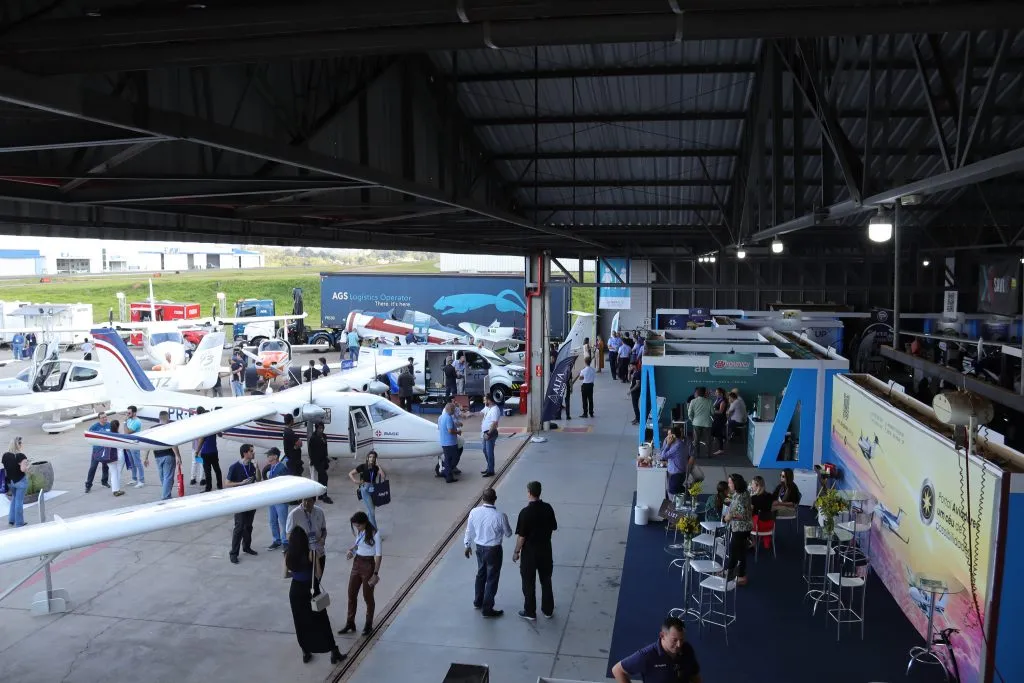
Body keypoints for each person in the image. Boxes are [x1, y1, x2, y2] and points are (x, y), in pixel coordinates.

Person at [284, 527, 346, 665]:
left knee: (300, 622)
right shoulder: (312, 553)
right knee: (322, 620)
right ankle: (333, 651)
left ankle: (305, 650)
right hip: (311, 590)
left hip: (295, 591)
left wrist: (297, 574)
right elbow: (318, 574)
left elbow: (285, 574)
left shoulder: (288, 554)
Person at [464, 487, 513, 617]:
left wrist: (467, 545)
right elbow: (508, 533)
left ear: (482, 498)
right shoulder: (500, 516)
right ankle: (487, 609)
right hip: (494, 550)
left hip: (479, 548)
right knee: (492, 578)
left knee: (481, 574)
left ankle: (478, 601)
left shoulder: (474, 512)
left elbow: (469, 530)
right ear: (495, 499)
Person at [514, 481, 558, 621]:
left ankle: (530, 611)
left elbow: (522, 536)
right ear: (540, 492)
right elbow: (553, 527)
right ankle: (548, 610)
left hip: (529, 553)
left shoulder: (525, 513)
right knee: (546, 580)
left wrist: (516, 551)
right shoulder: (548, 508)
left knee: (528, 582)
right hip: (545, 550)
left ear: (529, 493)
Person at [611, 616, 702, 683]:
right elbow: (617, 670)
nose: (679, 644)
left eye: (681, 639)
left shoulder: (687, 649)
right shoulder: (647, 655)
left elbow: (694, 674)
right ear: (662, 635)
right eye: (674, 640)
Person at [339, 511, 382, 637]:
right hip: (357, 563)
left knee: (367, 596)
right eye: (355, 526)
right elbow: (358, 545)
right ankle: (350, 622)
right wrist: (351, 551)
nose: (357, 528)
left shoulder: (375, 534)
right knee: (351, 593)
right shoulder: (360, 531)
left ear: (364, 523)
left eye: (358, 525)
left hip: (368, 565)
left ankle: (368, 624)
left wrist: (375, 573)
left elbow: (379, 555)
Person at [225, 444, 261, 564]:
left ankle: (247, 546)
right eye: (251, 451)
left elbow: (259, 479)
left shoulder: (252, 465)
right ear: (245, 453)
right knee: (239, 526)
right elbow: (227, 483)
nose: (253, 453)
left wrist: (257, 468)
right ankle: (233, 553)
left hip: (251, 500)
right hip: (240, 500)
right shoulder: (235, 467)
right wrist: (241, 483)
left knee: (249, 526)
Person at [287, 496, 328, 591]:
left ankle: (314, 597)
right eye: (304, 500)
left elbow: (324, 530)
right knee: (305, 583)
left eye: (309, 500)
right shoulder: (294, 514)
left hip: (319, 553)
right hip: (303, 556)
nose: (306, 503)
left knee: (316, 583)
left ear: (314, 501)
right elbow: (288, 535)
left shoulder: (319, 512)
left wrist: (323, 538)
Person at [723, 473, 753, 586]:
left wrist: (730, 516)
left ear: (736, 483)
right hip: (738, 527)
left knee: (738, 552)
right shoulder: (740, 493)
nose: (728, 484)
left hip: (742, 528)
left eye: (730, 483)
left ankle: (741, 576)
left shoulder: (741, 497)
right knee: (735, 550)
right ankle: (731, 571)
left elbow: (743, 515)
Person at [145, 411, 180, 500]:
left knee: (163, 477)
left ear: (159, 418)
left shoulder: (152, 429)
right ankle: (165, 496)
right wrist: (177, 456)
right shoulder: (168, 428)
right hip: (168, 455)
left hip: (157, 456)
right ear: (167, 418)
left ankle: (167, 494)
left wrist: (146, 457)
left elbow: (148, 444)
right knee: (168, 477)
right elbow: (173, 443)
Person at [349, 451, 386, 529]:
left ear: (375, 459)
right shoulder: (363, 466)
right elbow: (350, 473)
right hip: (365, 488)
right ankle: (374, 531)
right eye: (370, 457)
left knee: (370, 511)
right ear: (367, 458)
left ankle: (367, 529)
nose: (371, 459)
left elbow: (383, 476)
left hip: (374, 489)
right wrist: (355, 481)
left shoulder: (376, 468)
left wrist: (378, 466)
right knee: (371, 511)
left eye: (373, 457)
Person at [264, 448, 290, 551]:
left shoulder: (282, 468)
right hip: (272, 499)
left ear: (275, 456)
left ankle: (285, 541)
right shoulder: (272, 467)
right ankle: (276, 540)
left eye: (269, 455)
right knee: (272, 521)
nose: (267, 457)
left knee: (283, 521)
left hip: (280, 499)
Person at [3, 437, 30, 528]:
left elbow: (6, 468)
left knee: (14, 499)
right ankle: (19, 523)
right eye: (21, 443)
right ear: (18, 445)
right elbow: (23, 469)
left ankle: (11, 520)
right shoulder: (21, 456)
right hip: (20, 482)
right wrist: (28, 466)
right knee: (19, 501)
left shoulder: (5, 455)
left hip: (10, 482)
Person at [195, 407, 223, 491]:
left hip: (205, 453)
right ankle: (219, 486)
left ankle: (208, 487)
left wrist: (197, 451)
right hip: (213, 451)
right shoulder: (214, 425)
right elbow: (220, 434)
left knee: (207, 471)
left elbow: (201, 440)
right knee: (217, 469)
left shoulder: (205, 427)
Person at [659, 426, 692, 496]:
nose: (667, 437)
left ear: (673, 436)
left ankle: (688, 493)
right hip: (681, 473)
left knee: (672, 491)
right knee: (676, 492)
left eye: (669, 435)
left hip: (676, 474)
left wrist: (668, 444)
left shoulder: (676, 446)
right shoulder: (682, 444)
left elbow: (663, 456)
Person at [306, 422, 333, 504]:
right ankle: (324, 495)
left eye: (322, 428)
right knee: (324, 477)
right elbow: (310, 450)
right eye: (319, 428)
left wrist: (326, 457)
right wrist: (312, 460)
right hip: (316, 461)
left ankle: (321, 495)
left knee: (321, 477)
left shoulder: (324, 436)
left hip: (323, 460)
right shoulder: (313, 438)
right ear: (316, 428)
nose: (321, 430)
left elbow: (325, 447)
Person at [85, 411, 111, 493]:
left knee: (105, 467)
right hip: (97, 450)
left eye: (105, 417)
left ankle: (104, 481)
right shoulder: (94, 427)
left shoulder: (109, 425)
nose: (105, 418)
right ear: (99, 419)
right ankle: (88, 485)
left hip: (106, 450)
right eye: (103, 417)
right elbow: (89, 437)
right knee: (93, 467)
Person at [687, 387, 713, 459]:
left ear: (697, 393)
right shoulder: (709, 401)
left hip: (696, 423)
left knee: (696, 440)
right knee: (708, 439)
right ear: (705, 393)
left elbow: (689, 413)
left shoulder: (693, 401)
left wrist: (693, 420)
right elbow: (712, 413)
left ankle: (697, 454)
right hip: (707, 423)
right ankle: (708, 454)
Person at [749, 475, 775, 550]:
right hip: (770, 525)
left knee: (745, 521)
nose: (751, 486)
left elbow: (750, 513)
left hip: (759, 526)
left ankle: (753, 542)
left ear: (757, 485)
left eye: (752, 484)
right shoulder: (770, 496)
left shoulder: (753, 498)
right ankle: (766, 540)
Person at [438, 402, 461, 483]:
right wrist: (458, 432)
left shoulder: (441, 417)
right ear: (450, 409)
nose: (454, 411)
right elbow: (450, 431)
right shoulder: (448, 418)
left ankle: (446, 473)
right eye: (454, 409)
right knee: (454, 458)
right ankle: (447, 474)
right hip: (450, 443)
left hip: (444, 442)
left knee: (448, 459)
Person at [479, 395, 501, 477]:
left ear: (489, 400)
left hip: (490, 433)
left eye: (485, 400)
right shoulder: (488, 408)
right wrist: (469, 413)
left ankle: (491, 470)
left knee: (489, 452)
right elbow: (480, 413)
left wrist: (488, 433)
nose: (484, 402)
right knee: (485, 450)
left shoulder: (495, 410)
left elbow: (494, 423)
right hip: (485, 433)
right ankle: (489, 467)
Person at [125, 405, 145, 488]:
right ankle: (134, 478)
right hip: (129, 443)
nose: (127, 414)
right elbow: (125, 433)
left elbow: (128, 432)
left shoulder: (137, 422)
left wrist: (125, 423)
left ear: (134, 413)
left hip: (135, 444)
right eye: (127, 412)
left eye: (129, 413)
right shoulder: (129, 420)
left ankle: (141, 481)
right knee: (132, 463)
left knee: (137, 463)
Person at [105, 419, 125, 497]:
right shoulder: (119, 436)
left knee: (113, 473)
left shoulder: (107, 435)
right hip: (119, 455)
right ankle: (117, 489)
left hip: (109, 456)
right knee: (118, 473)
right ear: (118, 426)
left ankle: (114, 490)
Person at [711, 388, 728, 455]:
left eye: (717, 392)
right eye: (715, 392)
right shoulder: (718, 399)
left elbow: (720, 412)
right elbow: (713, 406)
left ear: (721, 393)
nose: (715, 393)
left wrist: (712, 411)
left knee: (717, 433)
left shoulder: (723, 401)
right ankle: (722, 439)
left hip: (721, 418)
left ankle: (721, 449)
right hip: (717, 418)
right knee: (715, 432)